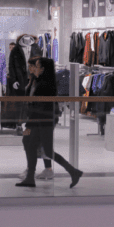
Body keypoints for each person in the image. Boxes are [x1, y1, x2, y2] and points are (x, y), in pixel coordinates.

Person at [16, 57, 82, 188]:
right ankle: (31, 177)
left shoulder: (45, 85)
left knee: (44, 149)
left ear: (43, 69)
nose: (34, 68)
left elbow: (40, 106)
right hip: (38, 121)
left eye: (37, 66)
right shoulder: (41, 81)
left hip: (42, 121)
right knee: (34, 146)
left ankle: (71, 171)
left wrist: (30, 121)